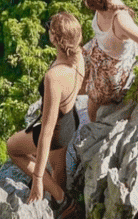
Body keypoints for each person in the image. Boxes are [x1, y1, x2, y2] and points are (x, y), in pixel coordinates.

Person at [6, 12, 84, 218]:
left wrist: (38, 178)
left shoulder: (54, 77)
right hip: (70, 121)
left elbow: (47, 132)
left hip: (57, 129)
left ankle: (62, 199)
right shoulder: (78, 56)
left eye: (51, 30)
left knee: (13, 147)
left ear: (55, 38)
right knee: (58, 170)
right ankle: (66, 209)